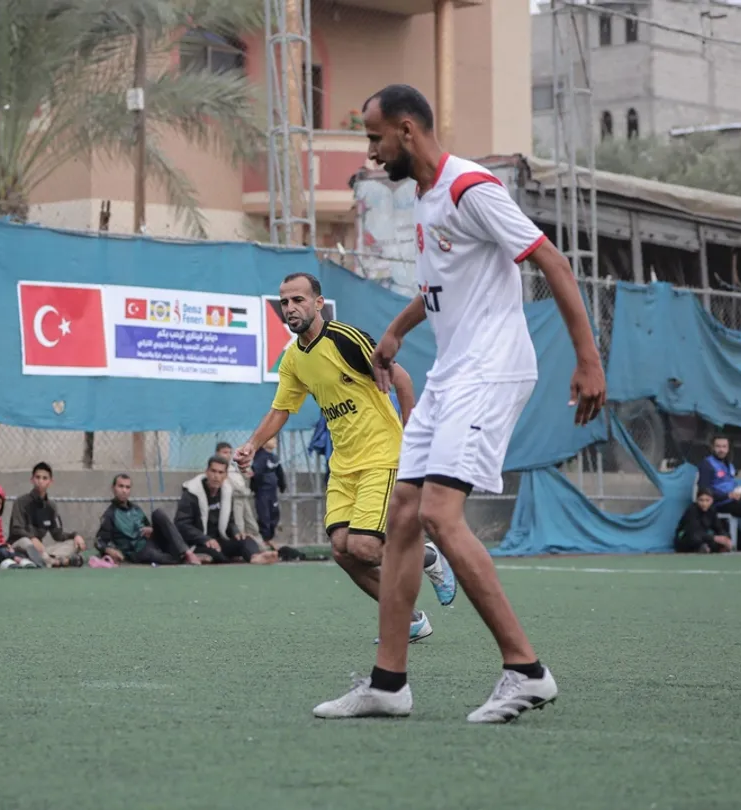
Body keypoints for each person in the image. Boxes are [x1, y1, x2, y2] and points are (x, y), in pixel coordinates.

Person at [311, 84, 608, 724]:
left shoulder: (471, 187)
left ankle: (526, 671)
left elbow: (550, 260)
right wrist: (397, 328)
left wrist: (587, 358)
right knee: (405, 511)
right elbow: (442, 289)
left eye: (374, 136)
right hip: (452, 371)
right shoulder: (424, 199)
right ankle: (389, 684)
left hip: (491, 369)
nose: (370, 150)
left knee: (443, 515)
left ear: (409, 131)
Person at [236, 272, 457, 644]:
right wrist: (253, 444)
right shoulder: (293, 358)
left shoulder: (345, 339)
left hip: (381, 455)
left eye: (298, 300)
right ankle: (412, 620)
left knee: (365, 547)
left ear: (318, 303)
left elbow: (401, 380)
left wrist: (413, 439)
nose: (290, 308)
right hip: (343, 466)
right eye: (284, 302)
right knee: (342, 550)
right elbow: (281, 409)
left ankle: (427, 555)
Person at [175, 456, 278, 564]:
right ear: (206, 472)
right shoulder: (192, 493)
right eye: (213, 471)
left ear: (225, 476)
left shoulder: (226, 492)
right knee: (217, 555)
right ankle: (201, 557)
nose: (216, 476)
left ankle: (255, 558)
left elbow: (230, 521)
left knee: (246, 540)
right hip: (197, 543)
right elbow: (182, 524)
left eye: (220, 472)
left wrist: (236, 532)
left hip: (219, 540)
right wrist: (204, 538)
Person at [96, 473, 201, 565]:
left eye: (127, 487)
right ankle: (183, 558)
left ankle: (187, 552)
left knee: (158, 513)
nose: (124, 490)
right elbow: (99, 541)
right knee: (162, 557)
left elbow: (149, 526)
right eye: (121, 486)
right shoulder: (110, 514)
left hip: (153, 542)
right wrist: (109, 550)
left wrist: (151, 529)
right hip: (138, 551)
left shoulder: (136, 509)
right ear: (113, 488)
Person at [7, 462, 86, 568]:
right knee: (27, 542)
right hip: (20, 545)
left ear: (50, 482)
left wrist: (76, 535)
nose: (40, 481)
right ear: (32, 480)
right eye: (37, 477)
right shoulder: (20, 502)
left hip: (39, 550)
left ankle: (46, 559)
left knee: (74, 544)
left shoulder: (51, 506)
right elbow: (16, 529)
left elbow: (58, 535)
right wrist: (32, 538)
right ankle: (55, 562)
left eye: (45, 478)